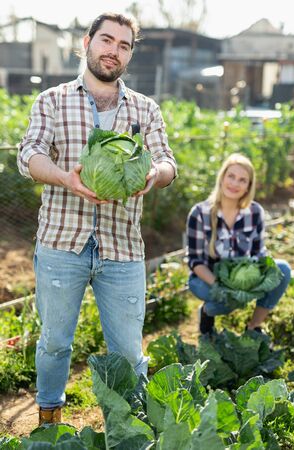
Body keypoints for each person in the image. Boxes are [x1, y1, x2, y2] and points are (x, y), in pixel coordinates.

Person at [17, 12, 177, 425]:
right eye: (107, 40)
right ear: (87, 42)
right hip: (60, 242)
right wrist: (64, 178)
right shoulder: (51, 100)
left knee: (127, 349)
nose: (114, 51)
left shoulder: (145, 108)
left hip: (122, 247)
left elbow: (167, 163)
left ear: (129, 54)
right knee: (54, 342)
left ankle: (128, 425)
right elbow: (29, 154)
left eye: (124, 45)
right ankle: (49, 417)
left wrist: (152, 176)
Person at [186, 153, 290, 335]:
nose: (235, 184)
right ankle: (207, 312)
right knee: (225, 300)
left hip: (241, 279)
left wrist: (259, 278)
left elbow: (258, 252)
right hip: (208, 278)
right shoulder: (200, 213)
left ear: (248, 186)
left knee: (283, 270)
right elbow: (195, 261)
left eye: (242, 180)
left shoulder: (255, 212)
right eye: (231, 176)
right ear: (222, 177)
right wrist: (222, 286)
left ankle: (254, 327)